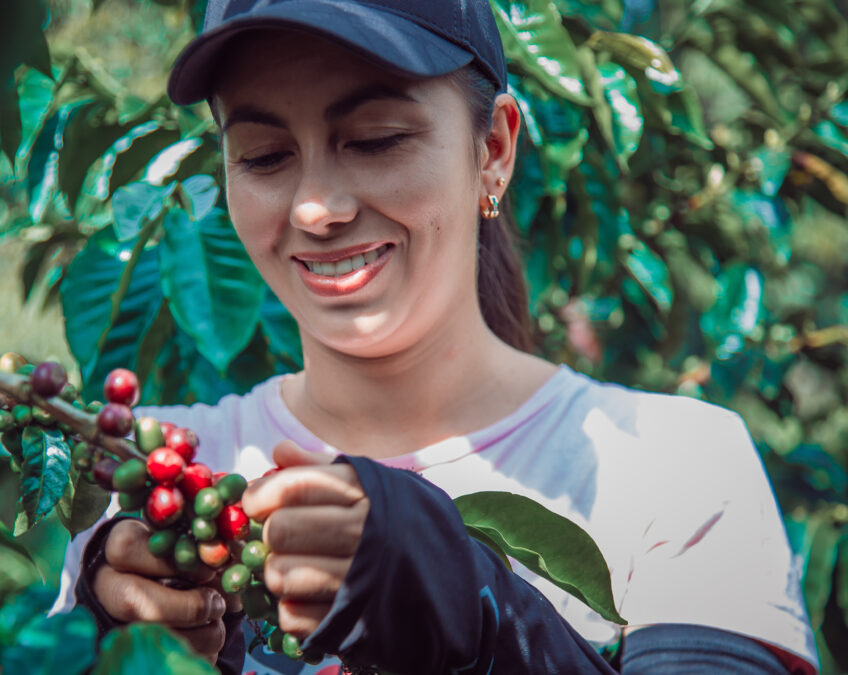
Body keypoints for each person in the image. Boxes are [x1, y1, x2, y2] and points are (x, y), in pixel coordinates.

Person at [52, 1, 819, 672]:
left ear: (493, 151)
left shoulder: (676, 469)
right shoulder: (161, 474)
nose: (317, 208)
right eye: (264, 156)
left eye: (377, 138)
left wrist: (475, 609)